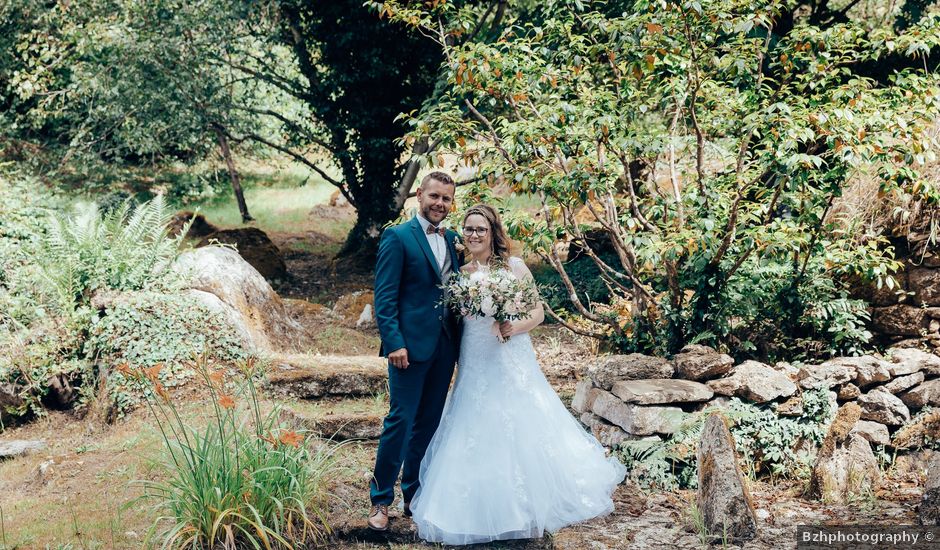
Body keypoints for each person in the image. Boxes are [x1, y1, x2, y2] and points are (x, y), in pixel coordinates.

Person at [409, 203, 626, 545]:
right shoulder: (458, 273)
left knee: (521, 417)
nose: (474, 235)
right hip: (474, 356)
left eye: (481, 229)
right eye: (468, 229)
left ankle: (529, 501)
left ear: (493, 233)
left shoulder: (515, 267)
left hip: (509, 355)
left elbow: (538, 313)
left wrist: (513, 327)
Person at [368, 171, 462, 532]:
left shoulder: (454, 239)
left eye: (447, 199)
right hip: (407, 349)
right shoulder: (397, 237)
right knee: (400, 421)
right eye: (434, 196)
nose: (440, 204)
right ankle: (380, 501)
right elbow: (385, 297)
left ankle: (414, 496)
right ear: (419, 194)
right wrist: (394, 343)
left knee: (428, 424)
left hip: (445, 348)